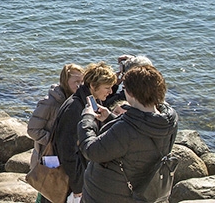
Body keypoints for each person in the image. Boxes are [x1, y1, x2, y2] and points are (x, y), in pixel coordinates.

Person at [78, 65, 178, 202]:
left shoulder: (127, 129)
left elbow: (91, 150)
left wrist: (87, 118)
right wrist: (110, 118)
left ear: (131, 93)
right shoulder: (169, 121)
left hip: (110, 196)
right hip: (141, 193)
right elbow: (137, 140)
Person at [52, 62, 117, 202]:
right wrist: (78, 186)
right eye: (107, 87)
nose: (111, 92)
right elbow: (67, 152)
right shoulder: (74, 108)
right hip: (70, 182)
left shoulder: (91, 101)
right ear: (93, 86)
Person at [27, 64, 84, 203]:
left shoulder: (77, 102)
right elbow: (32, 130)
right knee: (49, 193)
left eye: (82, 82)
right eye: (76, 82)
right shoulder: (50, 103)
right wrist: (55, 142)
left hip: (67, 158)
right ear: (65, 81)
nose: (80, 85)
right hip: (49, 159)